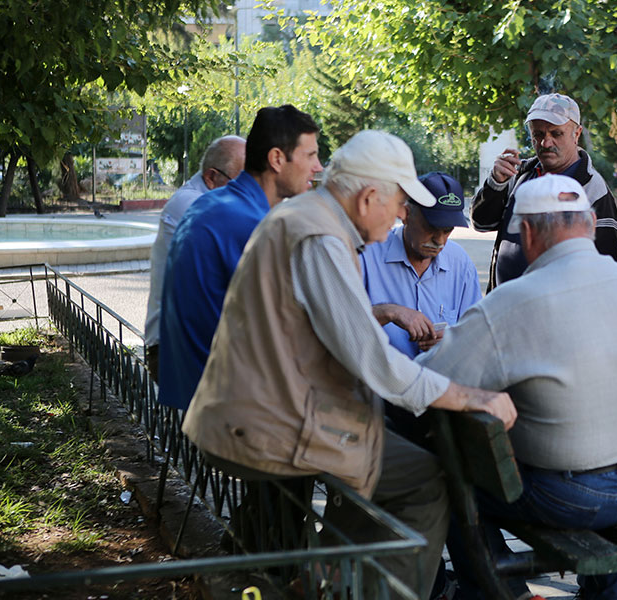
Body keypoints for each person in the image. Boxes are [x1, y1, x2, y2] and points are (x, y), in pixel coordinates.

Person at [181, 130, 517, 600]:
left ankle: (325, 581)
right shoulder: (320, 235)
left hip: (263, 411)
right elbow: (375, 362)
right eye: (400, 203)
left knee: (382, 453)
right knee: (424, 481)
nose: (402, 215)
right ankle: (344, 584)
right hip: (265, 423)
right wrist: (472, 397)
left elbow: (338, 334)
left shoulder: (311, 220)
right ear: (369, 197)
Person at [418, 174, 617, 600]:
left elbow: (426, 379)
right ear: (592, 224)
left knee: (448, 473)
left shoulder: (511, 302)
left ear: (525, 233)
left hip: (570, 496)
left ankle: (501, 592)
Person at [158, 105, 322, 410]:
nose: (319, 167)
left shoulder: (215, 203)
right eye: (311, 155)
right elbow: (295, 330)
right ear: (276, 159)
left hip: (198, 392)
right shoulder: (249, 223)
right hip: (232, 407)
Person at [361, 171, 481, 446]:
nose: (439, 240)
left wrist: (450, 341)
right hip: (378, 398)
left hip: (437, 398)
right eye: (431, 226)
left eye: (447, 231)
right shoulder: (368, 255)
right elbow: (339, 325)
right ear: (406, 212)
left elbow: (474, 339)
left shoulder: (460, 263)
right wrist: (389, 312)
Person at [471, 93, 617, 290]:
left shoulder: (593, 189)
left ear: (577, 134)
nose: (545, 143)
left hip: (557, 314)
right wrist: (496, 183)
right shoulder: (518, 173)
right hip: (505, 308)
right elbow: (481, 223)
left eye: (556, 134)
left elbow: (606, 269)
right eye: (538, 134)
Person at [143, 135, 245, 382]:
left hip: (197, 341)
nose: (249, 191)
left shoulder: (213, 200)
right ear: (211, 177)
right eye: (241, 183)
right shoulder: (192, 204)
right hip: (173, 348)